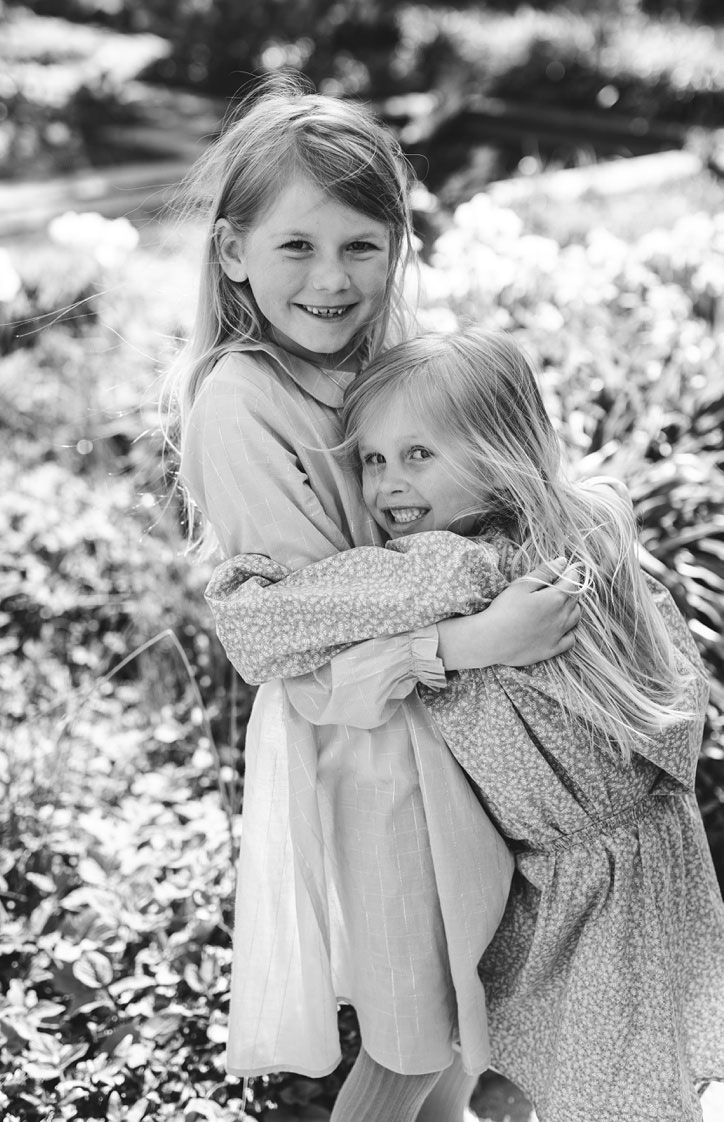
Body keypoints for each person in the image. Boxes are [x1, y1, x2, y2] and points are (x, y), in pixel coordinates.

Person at [161, 73, 578, 1122]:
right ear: (233, 254)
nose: (332, 280)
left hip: (474, 752)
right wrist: (473, 632)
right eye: (296, 246)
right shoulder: (242, 402)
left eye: (363, 245)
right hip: (374, 758)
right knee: (410, 1044)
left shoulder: (393, 370)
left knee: (469, 1040)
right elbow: (307, 650)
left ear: (400, 248)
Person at [207, 327, 724, 1122]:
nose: (386, 486)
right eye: (372, 460)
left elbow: (259, 633)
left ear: (498, 451)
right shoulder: (587, 526)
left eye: (419, 455)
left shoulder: (453, 568)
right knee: (631, 1083)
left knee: (593, 1093)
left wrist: (243, 580)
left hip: (573, 892)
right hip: (659, 852)